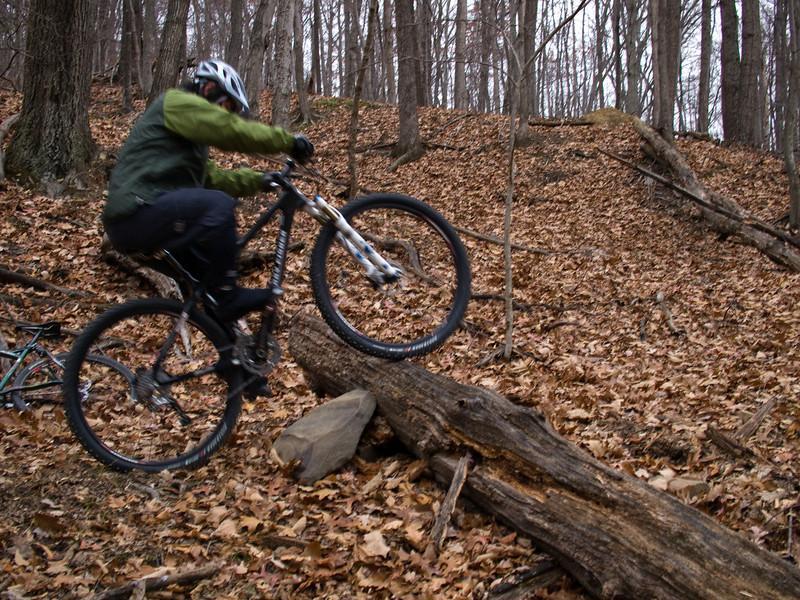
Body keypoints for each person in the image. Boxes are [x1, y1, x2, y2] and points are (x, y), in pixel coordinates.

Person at [103, 59, 314, 323]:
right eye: (227, 106)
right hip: (137, 210)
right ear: (209, 88)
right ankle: (230, 297)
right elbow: (229, 130)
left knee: (209, 284)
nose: (228, 114)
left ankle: (230, 354)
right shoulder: (177, 103)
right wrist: (288, 142)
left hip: (147, 214)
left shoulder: (188, 142)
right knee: (218, 206)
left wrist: (260, 180)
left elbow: (213, 177)